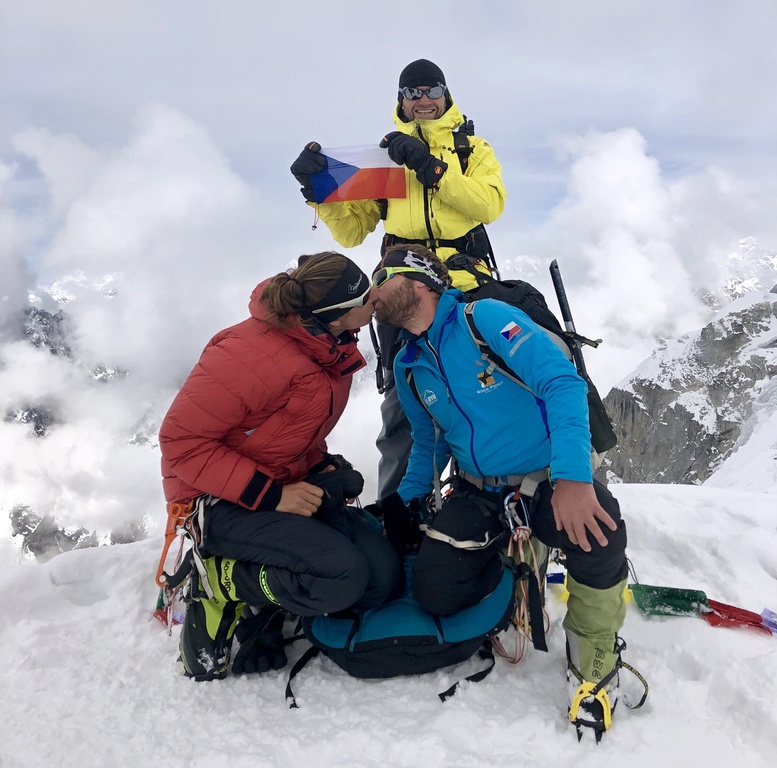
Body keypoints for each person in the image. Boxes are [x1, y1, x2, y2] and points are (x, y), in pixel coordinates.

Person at [371, 245, 631, 741]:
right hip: (477, 491)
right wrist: (404, 502)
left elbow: (561, 382)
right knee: (437, 595)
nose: (374, 295)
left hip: (546, 477)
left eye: (383, 280)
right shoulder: (408, 365)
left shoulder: (482, 319)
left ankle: (593, 643)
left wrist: (575, 479)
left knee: (598, 530)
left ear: (420, 282)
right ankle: (517, 574)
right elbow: (428, 442)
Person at [159, 252, 405, 681]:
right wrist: (275, 495)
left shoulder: (325, 347)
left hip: (274, 486)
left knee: (380, 581)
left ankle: (274, 592)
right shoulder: (250, 354)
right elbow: (181, 441)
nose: (375, 301)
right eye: (366, 296)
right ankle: (219, 583)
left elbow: (280, 432)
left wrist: (321, 464)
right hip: (217, 502)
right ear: (335, 314)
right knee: (341, 578)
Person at [290, 58, 506, 500]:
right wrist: (319, 191)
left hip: (465, 276)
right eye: (413, 92)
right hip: (401, 280)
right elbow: (352, 230)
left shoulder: (472, 150)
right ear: (401, 101)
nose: (423, 99)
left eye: (431, 90)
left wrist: (433, 170)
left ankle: (490, 485)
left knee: (495, 373)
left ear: (446, 95)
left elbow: (489, 205)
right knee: (406, 403)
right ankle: (400, 509)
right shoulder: (384, 158)